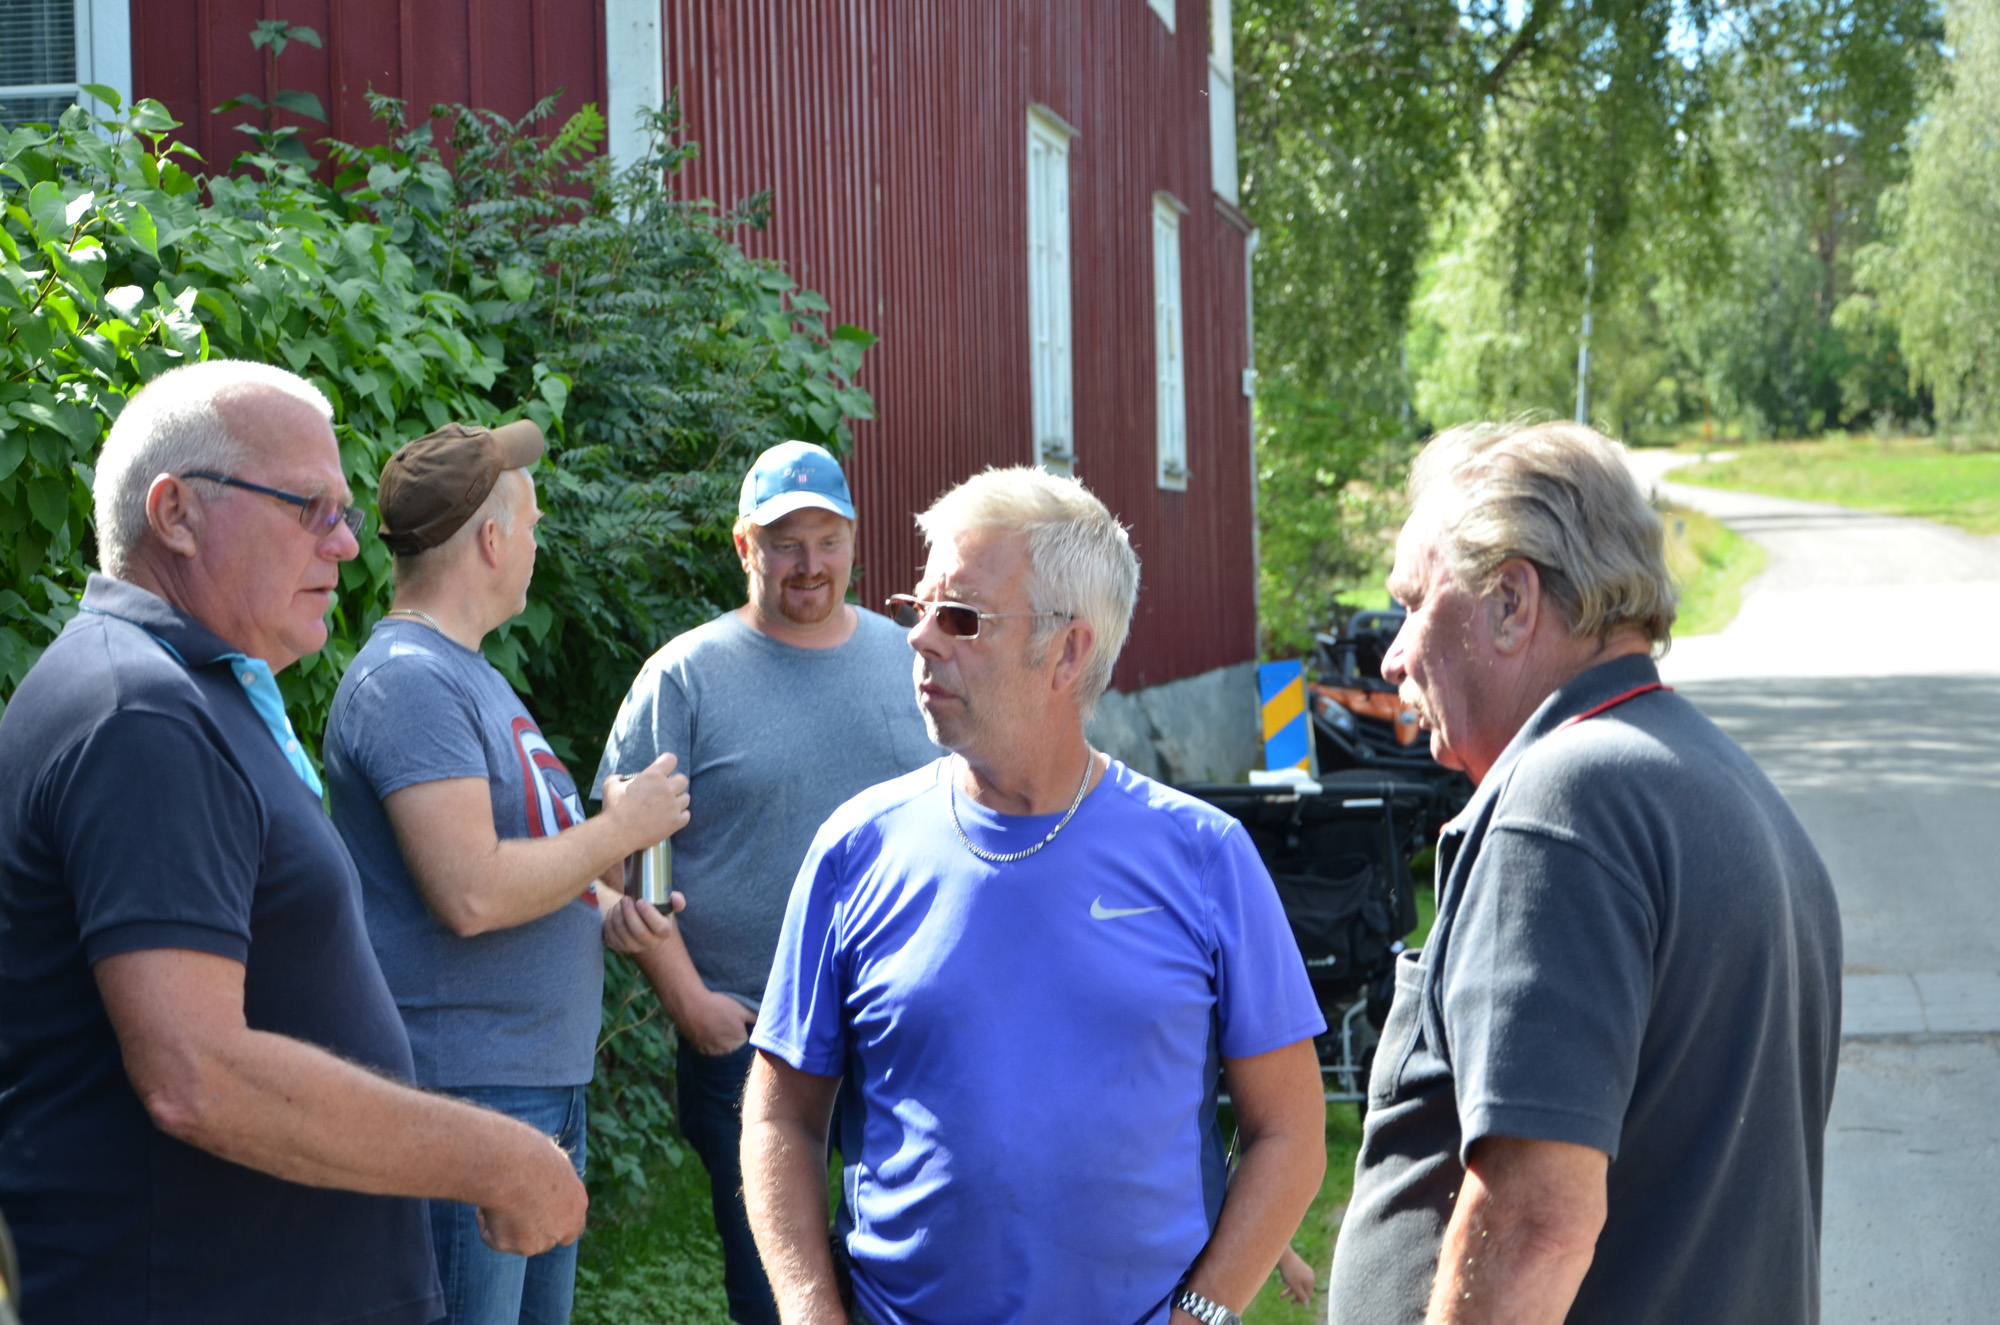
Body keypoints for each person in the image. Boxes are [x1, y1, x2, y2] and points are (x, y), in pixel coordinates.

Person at [0, 360, 587, 1324]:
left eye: (345, 511)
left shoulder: (188, 691)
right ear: (176, 512)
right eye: (309, 508)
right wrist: (499, 1156)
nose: (348, 545)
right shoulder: (141, 711)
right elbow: (198, 1074)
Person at [742, 466, 1329, 1325]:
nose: (920, 639)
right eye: (919, 608)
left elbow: (1291, 1132)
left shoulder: (1204, 856)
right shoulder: (855, 847)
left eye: (962, 617)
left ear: (1068, 650)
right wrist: (807, 1310)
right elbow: (781, 1116)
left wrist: (1202, 1313)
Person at [1326, 422, 1842, 1325]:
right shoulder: (1723, 784)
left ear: (1511, 602)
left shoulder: (1563, 806)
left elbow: (1532, 1222)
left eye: (1413, 603)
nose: (1392, 655)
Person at [323, 421, 692, 1325]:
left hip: (523, 1090)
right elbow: (473, 892)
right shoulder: (409, 681)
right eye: (530, 526)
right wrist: (619, 829)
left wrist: (606, 912)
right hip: (466, 1097)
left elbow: (522, 872)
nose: (535, 544)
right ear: (492, 539)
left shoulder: (468, 675)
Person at [593, 440, 937, 1325]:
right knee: (775, 1292)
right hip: (747, 1034)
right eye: (785, 543)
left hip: (905, 1028)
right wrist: (689, 1004)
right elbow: (609, 865)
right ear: (746, 548)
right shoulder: (686, 677)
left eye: (826, 539)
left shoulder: (913, 664)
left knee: (912, 1279)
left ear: (855, 541)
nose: (809, 564)